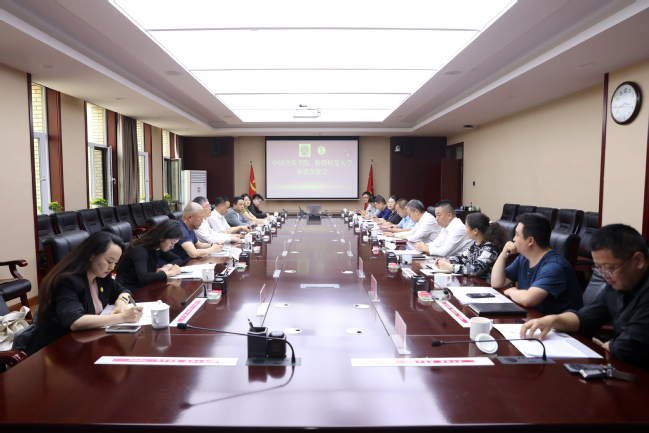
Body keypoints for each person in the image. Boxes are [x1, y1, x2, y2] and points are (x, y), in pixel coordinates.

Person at [521, 224, 649, 371]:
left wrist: (609, 346)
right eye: (598, 268)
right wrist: (552, 320)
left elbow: (628, 347)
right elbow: (585, 317)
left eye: (608, 268)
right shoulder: (618, 283)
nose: (604, 275)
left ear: (638, 260)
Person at [26, 232, 143, 355]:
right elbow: (75, 321)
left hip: (88, 342)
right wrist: (123, 317)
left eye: (115, 263)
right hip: (57, 351)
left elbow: (124, 291)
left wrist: (121, 302)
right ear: (91, 255)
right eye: (109, 261)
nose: (112, 267)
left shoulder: (102, 276)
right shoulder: (67, 281)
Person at [491, 213, 583, 315]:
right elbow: (497, 283)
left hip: (556, 324)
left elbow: (528, 299)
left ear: (530, 241)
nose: (513, 239)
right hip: (532, 318)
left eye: (517, 235)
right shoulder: (523, 258)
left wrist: (511, 291)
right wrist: (503, 255)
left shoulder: (554, 266)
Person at [434, 213, 508, 284]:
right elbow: (463, 258)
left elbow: (475, 270)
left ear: (475, 231)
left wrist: (450, 267)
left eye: (466, 227)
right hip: (475, 283)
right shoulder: (476, 244)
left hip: (488, 287)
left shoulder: (490, 248)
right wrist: (447, 261)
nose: (465, 230)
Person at [116, 219, 184, 292]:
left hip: (145, 287)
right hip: (128, 290)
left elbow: (178, 259)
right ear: (162, 237)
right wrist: (170, 273)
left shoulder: (157, 247)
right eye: (172, 242)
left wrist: (167, 267)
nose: (172, 247)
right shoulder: (140, 250)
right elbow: (143, 277)